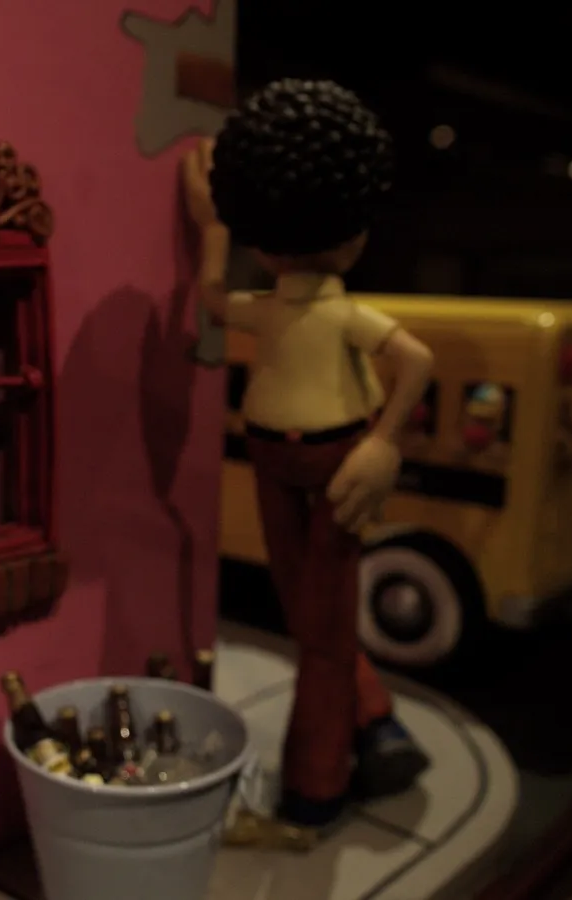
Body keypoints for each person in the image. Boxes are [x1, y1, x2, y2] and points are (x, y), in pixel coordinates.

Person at [181, 80, 434, 835]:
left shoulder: (338, 314)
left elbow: (416, 361)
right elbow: (217, 302)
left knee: (320, 636)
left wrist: (383, 444)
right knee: (308, 610)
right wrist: (213, 224)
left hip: (334, 459)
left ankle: (312, 794)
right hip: (273, 456)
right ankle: (377, 723)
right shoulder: (281, 308)